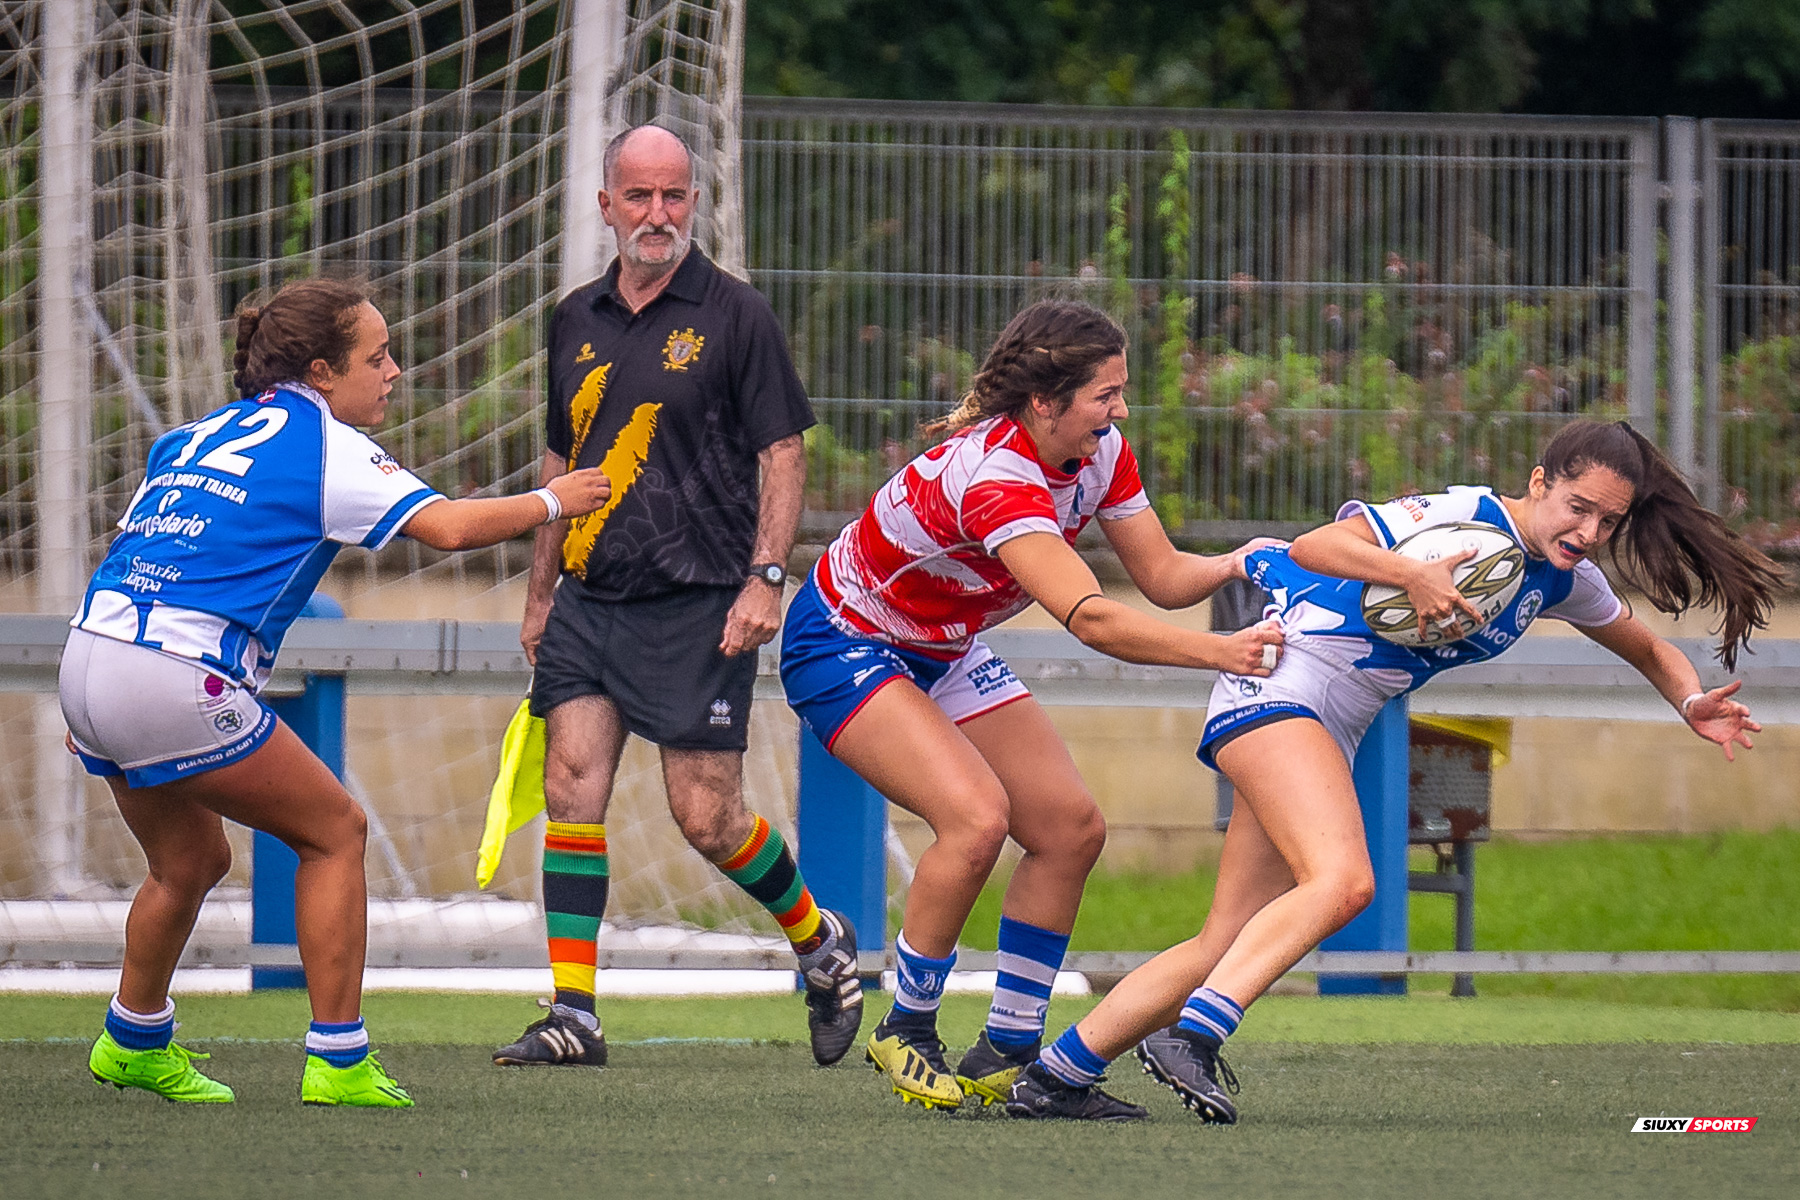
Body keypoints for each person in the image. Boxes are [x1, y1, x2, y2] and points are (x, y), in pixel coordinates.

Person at [1011, 419, 1783, 1122]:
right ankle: (1197, 1036)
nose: (1589, 531)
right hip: (1281, 678)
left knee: (1227, 938)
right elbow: (1317, 546)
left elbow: (1647, 646)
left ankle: (1054, 1076)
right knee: (1344, 881)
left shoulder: (1562, 577)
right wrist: (1410, 574)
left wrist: (1689, 701)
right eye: (1577, 507)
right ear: (1539, 482)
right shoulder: (1463, 517)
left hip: (1326, 719)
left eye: (1608, 521)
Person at [65, 277, 613, 1107]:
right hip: (171, 671)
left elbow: (149, 545)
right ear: (321, 371)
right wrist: (555, 498)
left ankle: (133, 1039)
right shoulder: (327, 445)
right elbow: (452, 529)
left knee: (190, 861)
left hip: (91, 656)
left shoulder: (191, 435)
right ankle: (339, 1058)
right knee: (335, 832)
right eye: (377, 355)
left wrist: (101, 695)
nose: (394, 370)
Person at [780, 299, 1287, 1113]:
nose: (1121, 410)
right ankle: (906, 1028)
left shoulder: (1101, 452)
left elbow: (1157, 576)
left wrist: (1240, 562)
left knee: (1069, 829)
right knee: (976, 818)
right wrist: (1218, 652)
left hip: (938, 644)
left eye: (1121, 392)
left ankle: (1009, 1052)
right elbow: (1088, 617)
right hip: (843, 639)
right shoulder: (997, 477)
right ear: (1045, 403)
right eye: (1106, 394)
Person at [492, 124, 864, 1071]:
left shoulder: (737, 315)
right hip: (588, 596)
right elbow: (559, 463)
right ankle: (572, 1013)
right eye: (639, 196)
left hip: (702, 599)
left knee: (707, 818)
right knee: (570, 785)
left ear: (692, 203)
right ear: (607, 204)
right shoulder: (573, 317)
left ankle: (820, 943)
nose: (657, 215)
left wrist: (766, 578)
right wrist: (541, 595)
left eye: (674, 196)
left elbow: (785, 450)